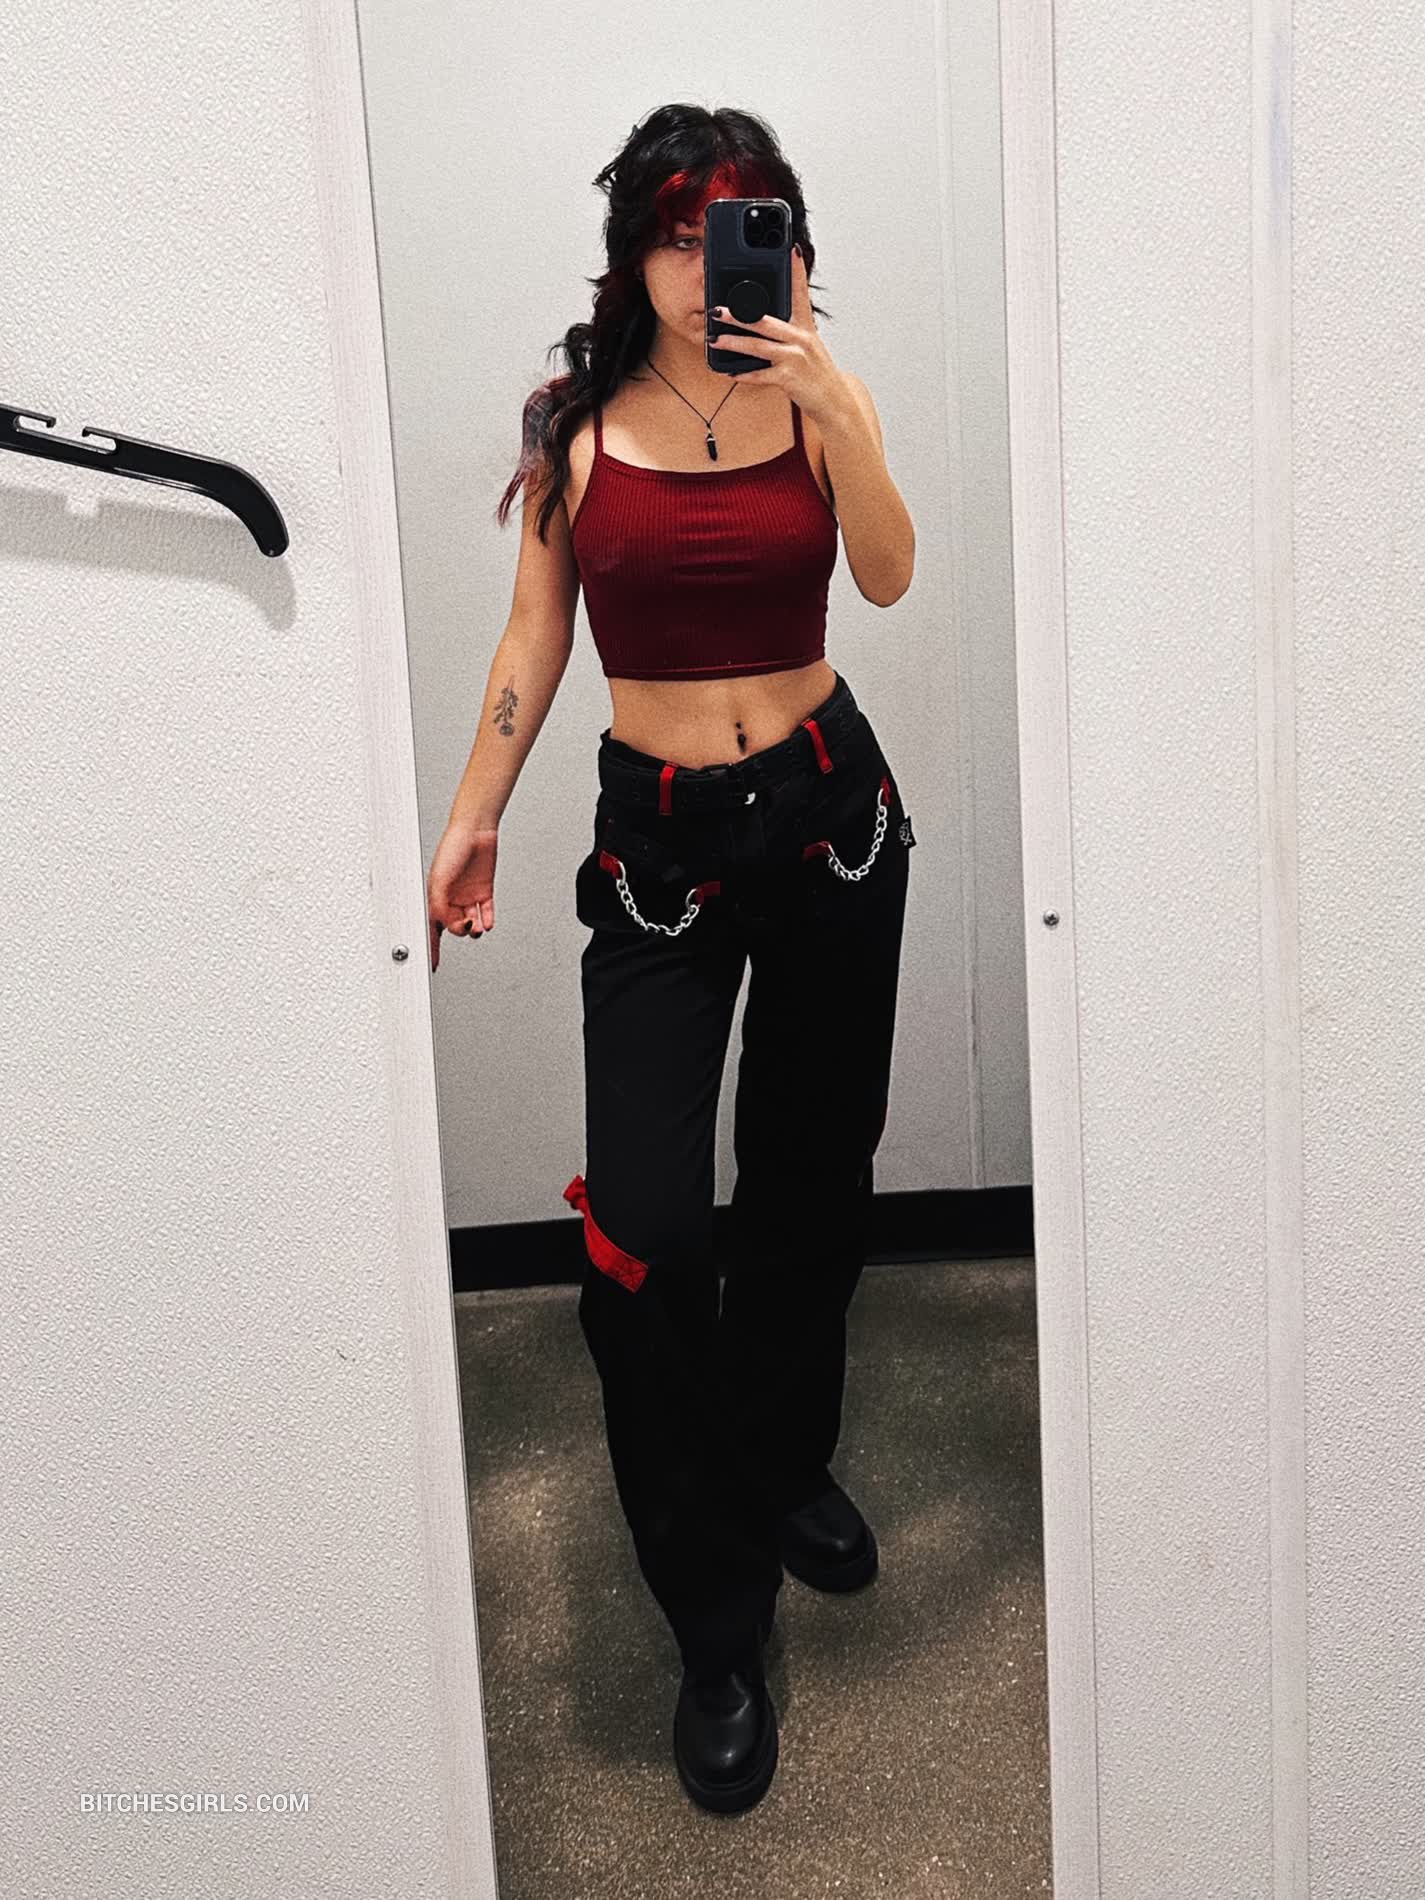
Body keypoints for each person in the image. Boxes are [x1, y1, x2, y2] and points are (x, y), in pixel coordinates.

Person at [427, 104, 916, 1815]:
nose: (712, 263)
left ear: (787, 245)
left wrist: (837, 406)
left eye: (745, 226)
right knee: (643, 1239)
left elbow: (887, 575)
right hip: (656, 849)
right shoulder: (572, 427)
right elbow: (533, 631)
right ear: (632, 248)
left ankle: (781, 1464)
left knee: (807, 1180)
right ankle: (713, 1617)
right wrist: (474, 815)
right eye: (679, 230)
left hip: (831, 818)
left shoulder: (817, 395)